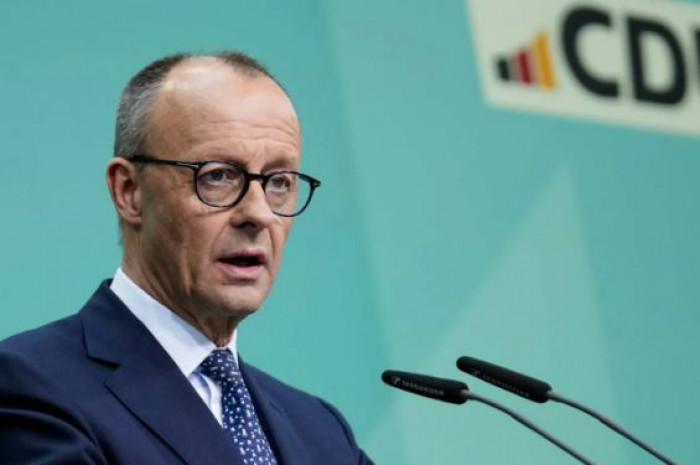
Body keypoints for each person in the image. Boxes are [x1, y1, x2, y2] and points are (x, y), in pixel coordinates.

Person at [0, 51, 374, 465]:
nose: (258, 214)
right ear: (129, 191)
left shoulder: (323, 433)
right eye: (217, 176)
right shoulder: (29, 388)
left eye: (279, 182)